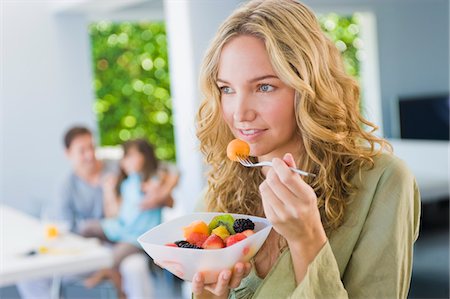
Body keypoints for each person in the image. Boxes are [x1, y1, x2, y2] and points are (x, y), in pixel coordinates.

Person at [190, 0, 421, 298]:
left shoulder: (383, 181)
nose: (239, 113)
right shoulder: (218, 193)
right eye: (226, 89)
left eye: (264, 87)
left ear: (309, 87)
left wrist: (307, 238)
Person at [16, 126, 173, 299]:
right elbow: (66, 227)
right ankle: (106, 271)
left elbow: (167, 170)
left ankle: (109, 273)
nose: (90, 155)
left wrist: (159, 196)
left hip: (125, 241)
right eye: (82, 151)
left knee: (135, 268)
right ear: (68, 154)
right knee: (29, 277)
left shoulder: (118, 166)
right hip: (89, 247)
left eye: (91, 147)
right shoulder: (66, 185)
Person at [80, 138, 177, 297]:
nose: (126, 161)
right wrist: (108, 191)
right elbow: (115, 213)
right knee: (86, 228)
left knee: (112, 258)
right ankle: (96, 270)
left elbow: (173, 178)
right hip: (121, 229)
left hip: (138, 236)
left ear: (145, 156)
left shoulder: (152, 181)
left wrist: (157, 195)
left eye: (131, 156)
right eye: (125, 157)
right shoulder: (126, 184)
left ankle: (107, 277)